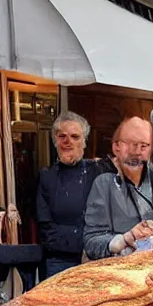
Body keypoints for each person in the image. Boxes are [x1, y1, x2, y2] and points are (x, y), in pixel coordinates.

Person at [83, 117, 153, 260]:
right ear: (116, 147)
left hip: (152, 267)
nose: (137, 151)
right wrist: (125, 239)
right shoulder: (103, 182)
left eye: (144, 146)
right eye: (131, 144)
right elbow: (91, 243)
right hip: (115, 274)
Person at [36, 112, 101, 278]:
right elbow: (45, 229)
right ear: (55, 141)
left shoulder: (98, 172)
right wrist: (85, 240)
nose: (68, 141)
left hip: (96, 259)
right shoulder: (46, 177)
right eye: (62, 136)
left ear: (84, 142)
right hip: (58, 262)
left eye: (75, 136)